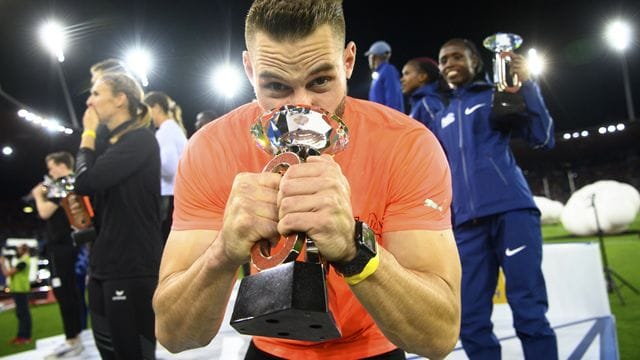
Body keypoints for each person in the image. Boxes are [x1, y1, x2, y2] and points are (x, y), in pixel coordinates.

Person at [153, 1, 461, 359]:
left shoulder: (406, 144)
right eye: (276, 87)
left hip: (373, 348)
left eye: (320, 81)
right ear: (249, 70)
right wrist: (223, 251)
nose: (302, 109)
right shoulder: (210, 148)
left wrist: (353, 248)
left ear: (347, 62)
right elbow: (174, 335)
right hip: (271, 346)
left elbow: (438, 336)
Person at [432, 38, 557, 359]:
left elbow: (542, 138)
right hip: (464, 225)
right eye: (444, 60)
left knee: (529, 312)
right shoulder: (440, 112)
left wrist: (527, 84)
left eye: (457, 56)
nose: (449, 63)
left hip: (511, 211)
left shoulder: (495, 94)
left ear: (476, 61)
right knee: (471, 320)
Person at [73, 72, 162, 359]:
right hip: (102, 266)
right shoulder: (110, 144)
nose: (89, 101)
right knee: (108, 352)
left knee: (132, 353)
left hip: (131, 266)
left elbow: (85, 181)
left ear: (121, 98)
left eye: (97, 93)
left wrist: (87, 134)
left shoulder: (141, 141)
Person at [31, 151, 85, 358]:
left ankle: (72, 339)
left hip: (62, 246)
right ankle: (76, 335)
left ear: (62, 165)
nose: (49, 172)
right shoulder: (72, 182)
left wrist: (38, 195)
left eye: (51, 166)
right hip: (69, 244)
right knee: (71, 292)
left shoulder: (64, 183)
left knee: (65, 292)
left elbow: (44, 212)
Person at [144, 91, 188, 243]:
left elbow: (169, 167)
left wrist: (148, 166)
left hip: (170, 195)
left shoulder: (165, 131)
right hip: (178, 193)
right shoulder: (173, 128)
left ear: (155, 107)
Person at [1, 244, 32, 345]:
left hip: (21, 290)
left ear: (23, 250)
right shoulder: (22, 260)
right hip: (19, 290)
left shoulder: (24, 261)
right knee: (21, 314)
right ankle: (21, 336)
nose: (17, 251)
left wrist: (2, 264)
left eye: (18, 249)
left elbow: (7, 273)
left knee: (23, 314)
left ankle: (25, 337)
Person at [400, 57, 446, 126]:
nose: (401, 80)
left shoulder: (428, 102)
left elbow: (441, 131)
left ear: (422, 76)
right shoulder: (419, 103)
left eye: (406, 73)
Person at [365, 40, 404, 112]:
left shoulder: (388, 70)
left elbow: (393, 99)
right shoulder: (380, 72)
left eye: (369, 56)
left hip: (387, 120)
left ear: (373, 56)